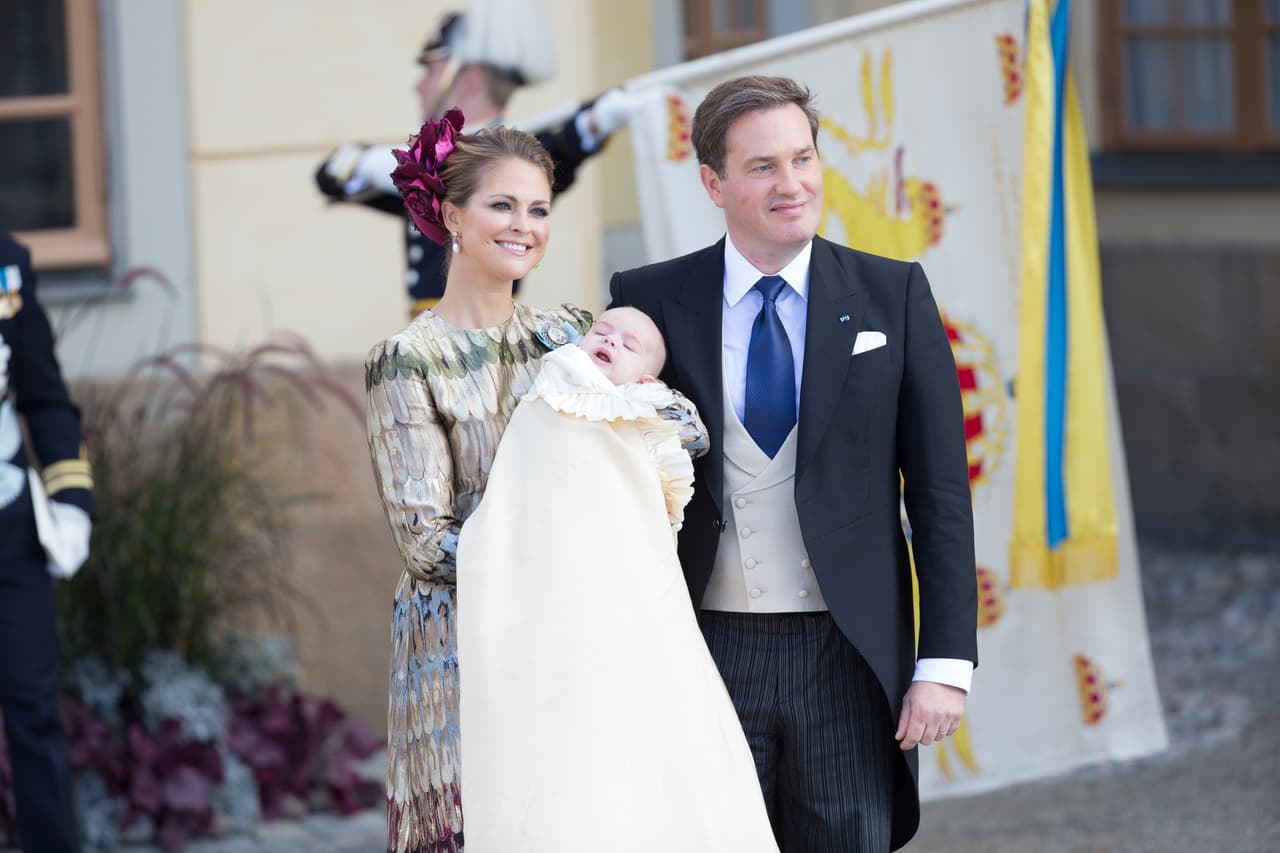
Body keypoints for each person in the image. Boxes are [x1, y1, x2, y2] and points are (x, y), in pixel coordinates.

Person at [609, 76, 979, 852]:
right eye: (763, 167)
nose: (793, 184)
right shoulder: (648, 299)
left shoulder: (892, 293)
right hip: (703, 647)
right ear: (713, 182)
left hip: (846, 652)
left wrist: (945, 659)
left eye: (803, 158)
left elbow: (941, 491)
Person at [365, 120, 703, 852]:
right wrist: (565, 556)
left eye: (539, 209)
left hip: (582, 638)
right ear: (451, 214)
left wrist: (641, 397)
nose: (524, 226)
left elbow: (683, 435)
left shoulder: (577, 334)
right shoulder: (406, 360)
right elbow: (426, 544)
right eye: (502, 206)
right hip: (463, 643)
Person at [455, 306, 778, 851]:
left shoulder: (649, 412)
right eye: (602, 332)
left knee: (653, 734)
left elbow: (644, 501)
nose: (610, 342)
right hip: (553, 585)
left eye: (630, 345)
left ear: (649, 376)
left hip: (629, 590)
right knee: (560, 747)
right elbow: (530, 482)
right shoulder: (553, 389)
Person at [317, 8, 637, 316]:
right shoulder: (426, 163)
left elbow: (567, 145)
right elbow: (330, 178)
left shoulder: (516, 163)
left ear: (468, 80)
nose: (419, 85)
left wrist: (598, 120)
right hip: (425, 334)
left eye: (431, 70)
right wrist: (371, 165)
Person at [1, 231, 94, 853]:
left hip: (9, 521)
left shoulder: (7, 263)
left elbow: (44, 394)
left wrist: (70, 501)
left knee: (33, 711)